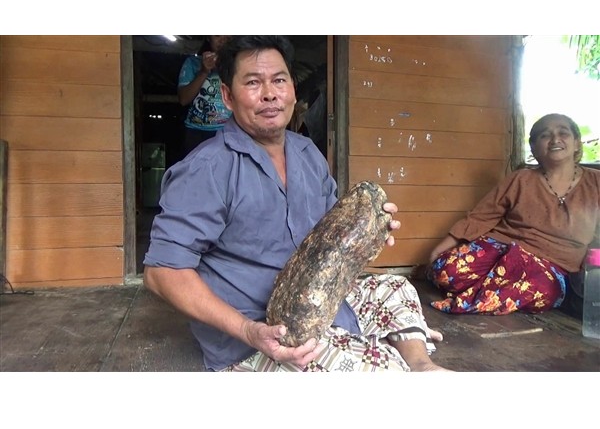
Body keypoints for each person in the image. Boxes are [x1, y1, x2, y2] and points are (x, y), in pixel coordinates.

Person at [143, 35, 450, 372]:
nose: (269, 94)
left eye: (279, 80)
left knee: (395, 287)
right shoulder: (207, 168)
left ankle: (422, 366)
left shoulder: (306, 153)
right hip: (260, 339)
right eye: (253, 83)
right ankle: (387, 355)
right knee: (381, 370)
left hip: (322, 307)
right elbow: (161, 272)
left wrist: (369, 234)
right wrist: (248, 330)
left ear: (292, 89)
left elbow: (331, 233)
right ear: (228, 96)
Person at [428, 113, 600, 315]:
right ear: (534, 147)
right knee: (447, 272)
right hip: (502, 247)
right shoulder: (521, 179)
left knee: (540, 289)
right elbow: (481, 216)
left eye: (563, 133)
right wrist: (438, 251)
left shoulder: (595, 182)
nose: (555, 139)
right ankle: (487, 293)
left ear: (577, 143)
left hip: (552, 266)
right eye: (545, 135)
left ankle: (469, 299)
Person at [177, 35, 232, 158]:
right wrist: (204, 71)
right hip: (196, 132)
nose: (223, 38)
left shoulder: (239, 64)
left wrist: (227, 66)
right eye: (217, 35)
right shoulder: (192, 63)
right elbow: (183, 99)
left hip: (229, 131)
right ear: (208, 37)